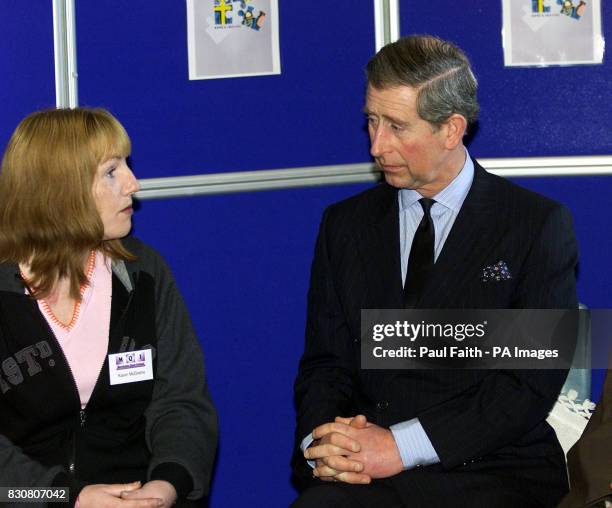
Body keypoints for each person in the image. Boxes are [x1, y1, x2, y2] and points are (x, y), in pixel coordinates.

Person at [292, 35, 578, 507]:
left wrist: (401, 447)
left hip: (488, 467)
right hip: (368, 471)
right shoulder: (344, 225)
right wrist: (324, 443)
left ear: (451, 129)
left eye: (397, 126)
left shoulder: (535, 225)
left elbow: (527, 383)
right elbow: (326, 362)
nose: (377, 145)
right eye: (371, 120)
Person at [0, 108, 218, 507]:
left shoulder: (144, 273)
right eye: (111, 171)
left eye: (127, 167)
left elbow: (182, 401)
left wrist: (166, 485)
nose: (133, 184)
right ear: (60, 189)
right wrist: (69, 499)